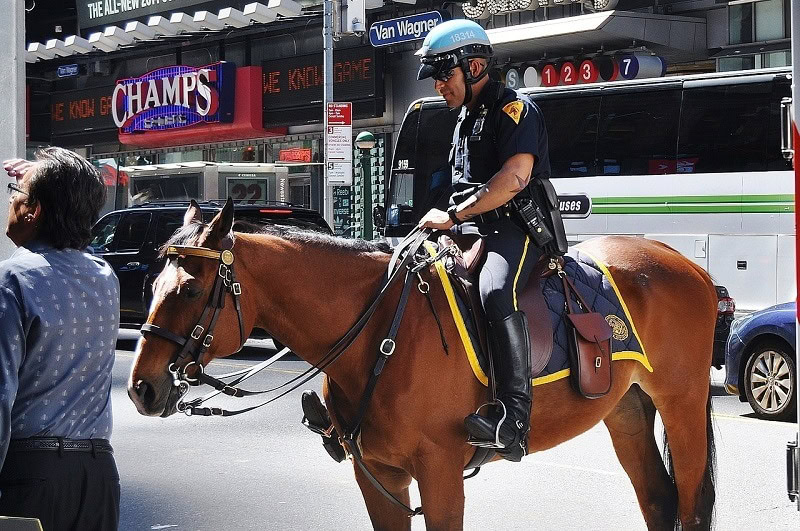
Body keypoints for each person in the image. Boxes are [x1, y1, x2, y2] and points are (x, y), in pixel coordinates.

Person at [417, 19, 567, 462]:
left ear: (475, 65)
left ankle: (514, 421)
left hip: (515, 228)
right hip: (471, 229)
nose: (439, 85)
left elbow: (514, 179)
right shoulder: (464, 118)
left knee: (495, 291)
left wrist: (454, 215)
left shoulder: (514, 110)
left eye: (445, 74)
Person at [0, 148, 120, 530]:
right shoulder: (103, 277)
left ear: (33, 211)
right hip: (99, 476)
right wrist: (48, 179)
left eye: (13, 192)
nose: (11, 199)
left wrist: (42, 179)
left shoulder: (12, 280)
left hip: (29, 476)